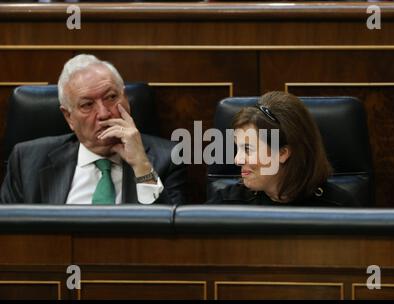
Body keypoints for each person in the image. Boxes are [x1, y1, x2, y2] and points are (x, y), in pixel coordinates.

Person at [0, 54, 186, 205]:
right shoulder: (27, 160)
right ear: (68, 117)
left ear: (126, 99)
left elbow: (168, 239)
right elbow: (9, 237)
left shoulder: (167, 158)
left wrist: (141, 165)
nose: (104, 113)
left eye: (111, 97)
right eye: (87, 105)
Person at [207, 91, 359, 206]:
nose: (237, 160)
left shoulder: (339, 208)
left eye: (247, 149)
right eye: (238, 148)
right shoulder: (226, 203)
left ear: (282, 153)